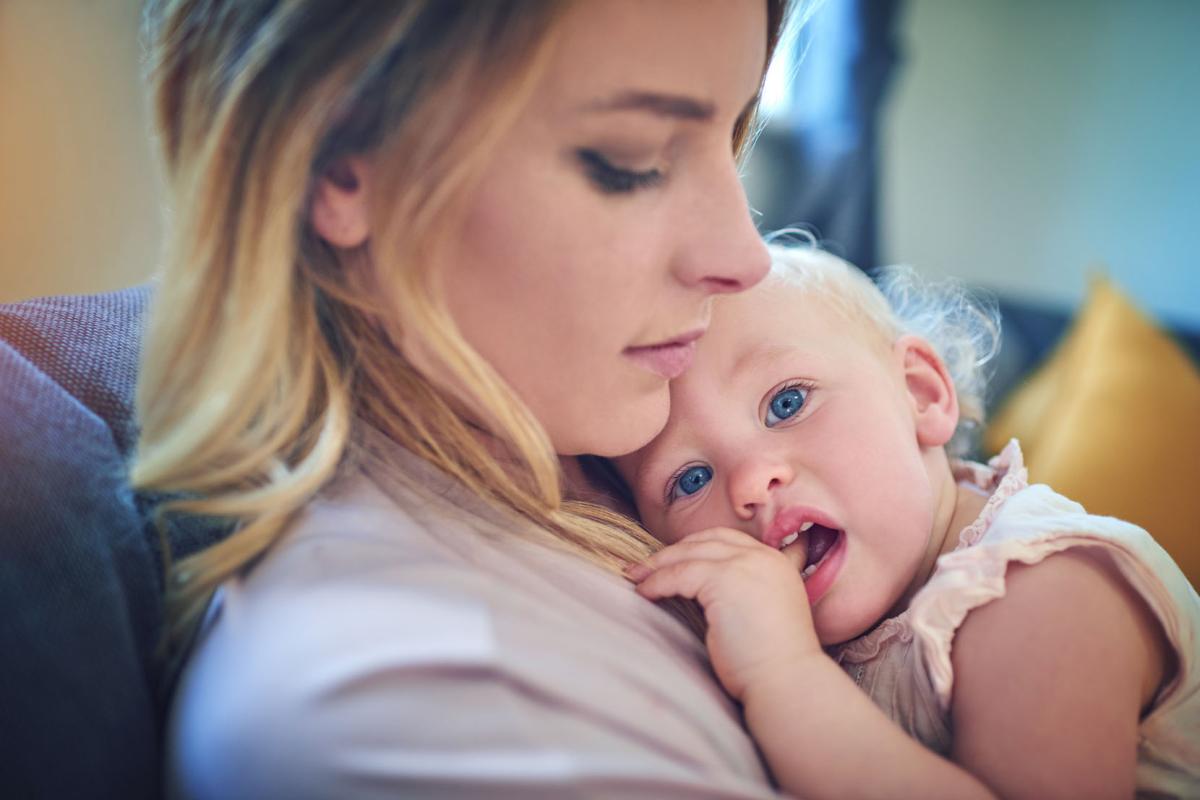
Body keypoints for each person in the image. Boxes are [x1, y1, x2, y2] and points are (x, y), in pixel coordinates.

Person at [136, 1, 797, 797]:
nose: (746, 255)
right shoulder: (402, 710)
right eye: (635, 158)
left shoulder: (617, 451)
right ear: (343, 161)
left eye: (731, 135)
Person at [618, 244, 1200, 798]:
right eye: (690, 480)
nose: (748, 483)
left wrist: (781, 671)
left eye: (787, 402)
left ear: (920, 394)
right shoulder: (790, 621)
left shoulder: (1042, 592)